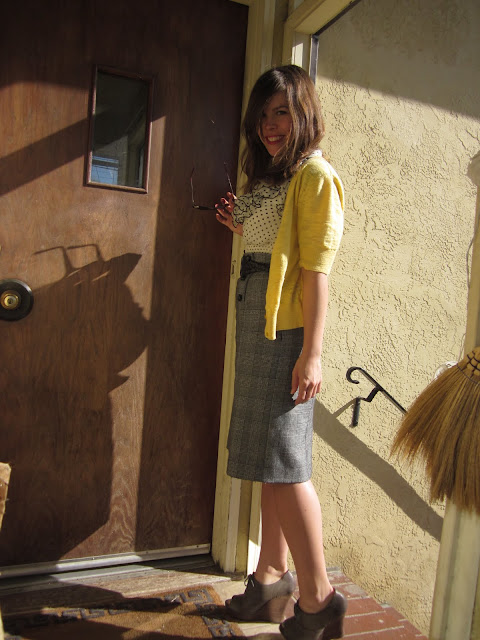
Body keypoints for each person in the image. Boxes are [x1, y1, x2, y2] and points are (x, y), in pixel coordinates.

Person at [215, 65, 346, 640]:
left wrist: (312, 354)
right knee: (270, 461)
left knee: (286, 464)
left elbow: (316, 272)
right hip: (258, 321)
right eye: (264, 114)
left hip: (286, 333)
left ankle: (319, 600)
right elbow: (278, 246)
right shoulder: (277, 176)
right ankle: (271, 577)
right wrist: (244, 227)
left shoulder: (316, 176)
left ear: (305, 114)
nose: (270, 125)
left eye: (283, 112)